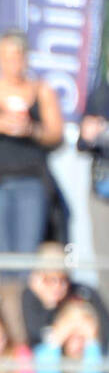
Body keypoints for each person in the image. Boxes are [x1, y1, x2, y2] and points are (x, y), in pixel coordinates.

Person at [0, 30, 64, 345]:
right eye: (5, 56)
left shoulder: (41, 90)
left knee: (27, 262)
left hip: (32, 183)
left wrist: (32, 129)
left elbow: (56, 135)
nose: (12, 63)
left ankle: (29, 333)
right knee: (6, 264)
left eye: (17, 56)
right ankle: (12, 337)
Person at [21, 242, 109, 349]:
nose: (58, 286)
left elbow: (105, 333)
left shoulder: (84, 292)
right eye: (50, 280)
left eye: (63, 279)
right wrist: (49, 304)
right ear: (37, 279)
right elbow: (35, 341)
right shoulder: (28, 297)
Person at [78, 65, 109, 308]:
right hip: (103, 193)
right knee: (105, 265)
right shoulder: (101, 94)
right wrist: (92, 134)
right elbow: (83, 143)